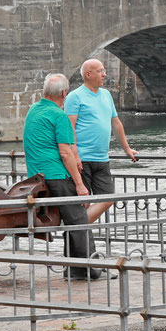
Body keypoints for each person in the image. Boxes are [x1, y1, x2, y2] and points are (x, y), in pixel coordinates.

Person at [23, 73, 100, 280]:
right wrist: (79, 183)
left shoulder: (33, 110)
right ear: (64, 93)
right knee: (79, 221)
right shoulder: (59, 116)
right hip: (58, 174)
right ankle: (91, 269)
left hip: (37, 176)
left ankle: (73, 269)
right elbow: (65, 153)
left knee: (71, 221)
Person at [65, 59, 138, 224]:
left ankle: (77, 227)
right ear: (89, 75)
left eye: (104, 70)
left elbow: (116, 123)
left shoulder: (106, 95)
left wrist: (127, 149)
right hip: (82, 159)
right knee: (83, 203)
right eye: (100, 71)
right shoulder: (74, 97)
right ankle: (78, 238)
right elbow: (70, 128)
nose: (105, 74)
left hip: (102, 158)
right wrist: (74, 155)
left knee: (107, 198)